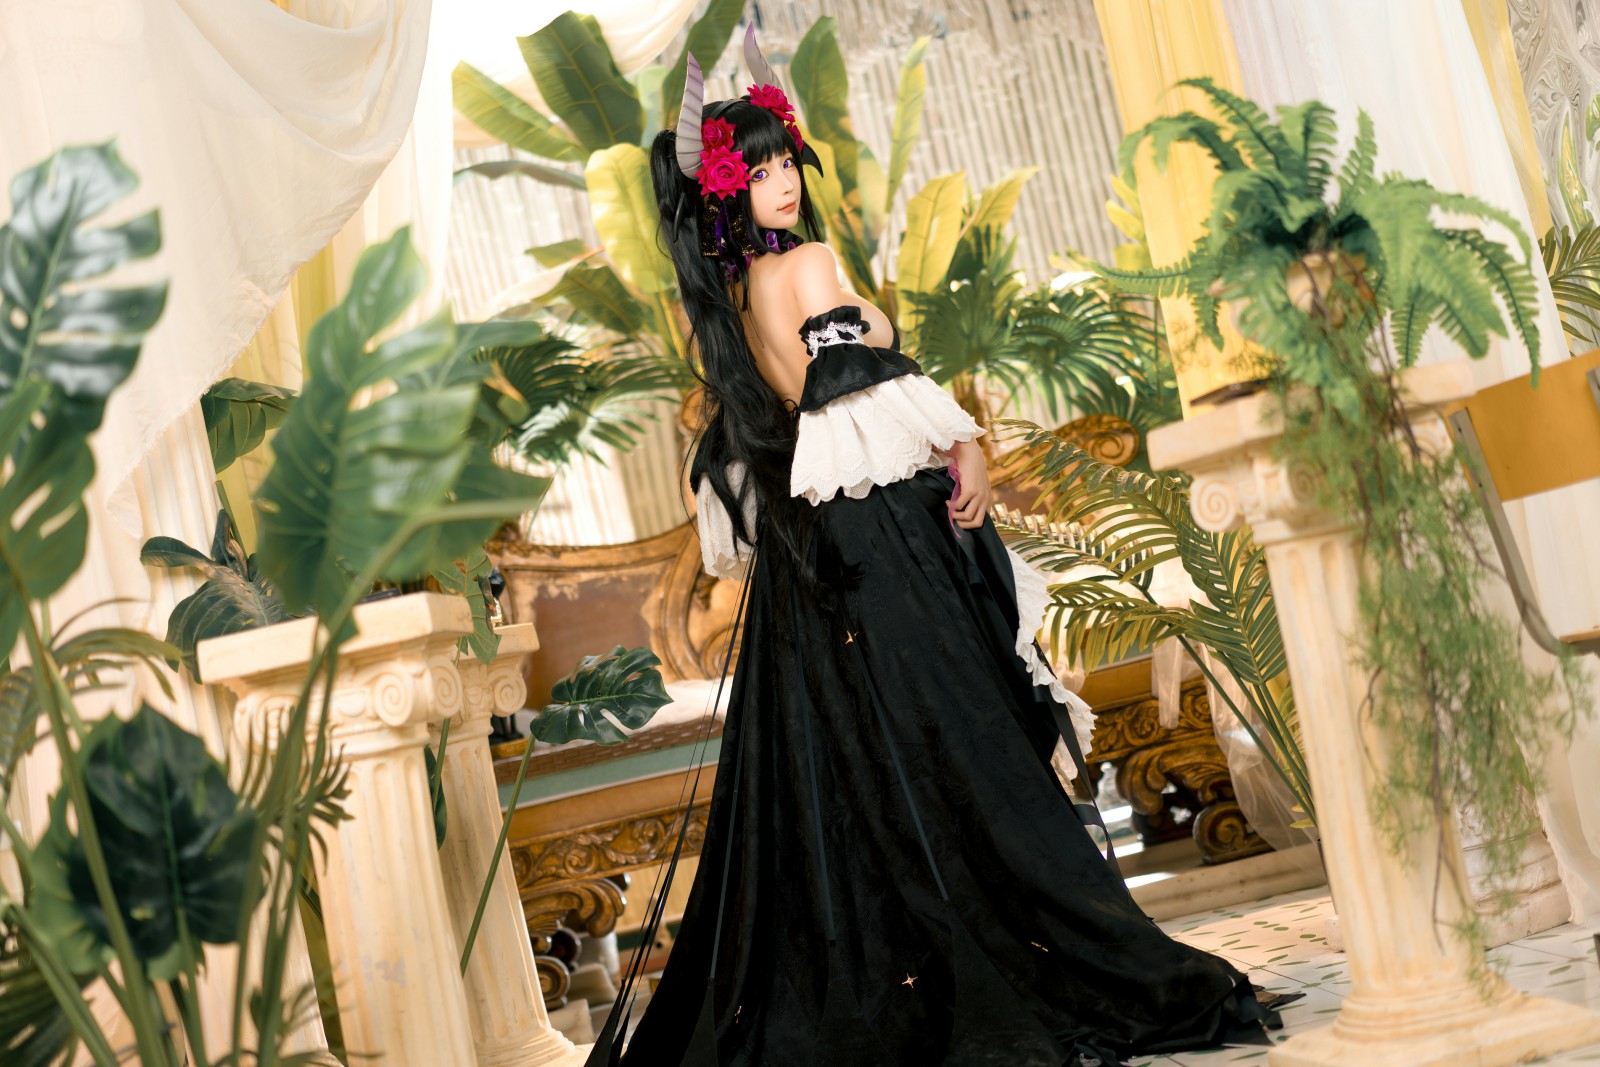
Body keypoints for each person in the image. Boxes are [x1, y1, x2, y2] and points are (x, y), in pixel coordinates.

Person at [587, 29, 1288, 1067]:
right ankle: (1031, 943)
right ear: (733, 193)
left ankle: (941, 962)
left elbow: (815, 399)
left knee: (887, 757)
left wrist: (921, 410)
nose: (783, 182)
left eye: (786, 164)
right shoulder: (809, 264)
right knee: (959, 737)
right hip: (881, 533)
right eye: (763, 171)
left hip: (829, 547)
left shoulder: (737, 301)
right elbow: (851, 387)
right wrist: (964, 441)